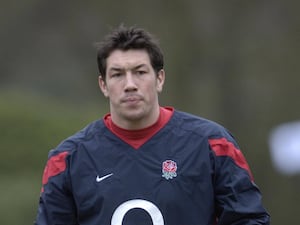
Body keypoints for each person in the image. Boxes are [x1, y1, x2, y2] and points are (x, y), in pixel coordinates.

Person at [34, 25, 270, 225]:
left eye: (140, 72)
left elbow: (249, 219)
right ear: (103, 85)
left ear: (159, 79)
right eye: (117, 74)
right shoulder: (67, 159)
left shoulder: (213, 144)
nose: (130, 84)